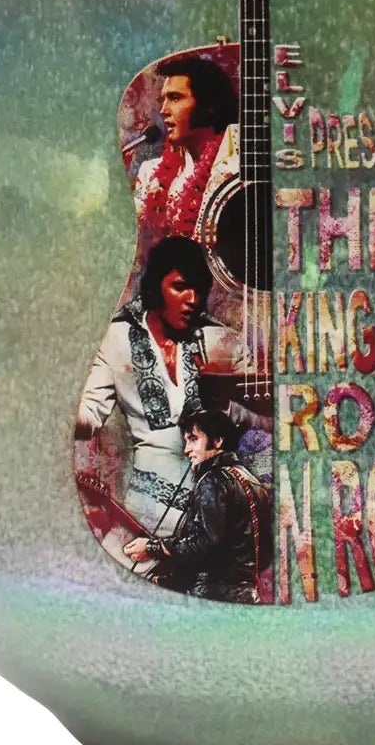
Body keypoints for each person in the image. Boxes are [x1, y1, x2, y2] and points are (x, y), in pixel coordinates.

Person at [75, 235, 250, 540]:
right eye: (180, 287)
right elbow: (89, 413)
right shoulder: (116, 339)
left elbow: (265, 414)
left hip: (212, 525)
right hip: (143, 518)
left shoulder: (223, 343)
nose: (192, 299)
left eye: (198, 289)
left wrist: (230, 408)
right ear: (157, 286)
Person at [123, 406, 271, 603]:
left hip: (211, 599)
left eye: (193, 439)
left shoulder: (214, 479)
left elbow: (203, 544)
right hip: (246, 599)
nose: (187, 450)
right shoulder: (255, 484)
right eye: (186, 441)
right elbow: (264, 555)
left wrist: (152, 547)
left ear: (217, 441)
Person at [133, 54, 238, 245]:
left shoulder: (237, 170)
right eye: (163, 100)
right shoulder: (150, 174)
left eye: (175, 98)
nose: (164, 110)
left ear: (209, 106)